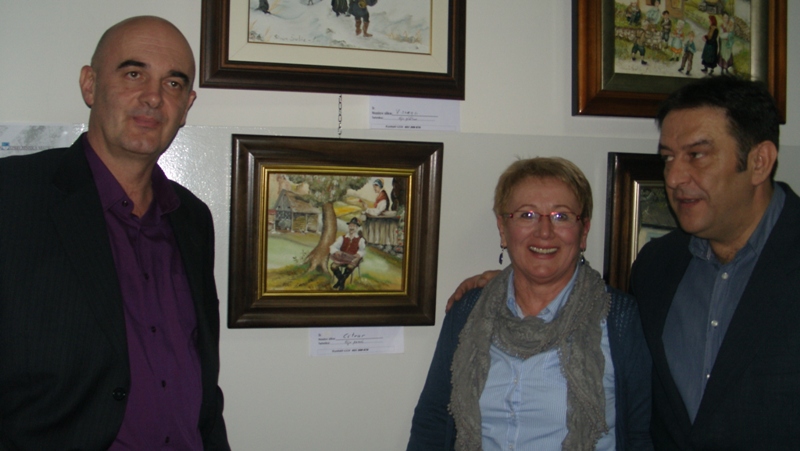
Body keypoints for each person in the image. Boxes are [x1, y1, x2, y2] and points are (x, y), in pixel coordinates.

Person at [448, 76, 795, 449]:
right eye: (668, 158)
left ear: (759, 162)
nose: (674, 177)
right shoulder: (658, 266)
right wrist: (519, 283)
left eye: (696, 155)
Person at [0, 16, 230, 449]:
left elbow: (201, 380)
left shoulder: (192, 219)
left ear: (187, 106)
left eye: (173, 84)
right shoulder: (12, 197)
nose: (153, 97)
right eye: (133, 74)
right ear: (90, 85)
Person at [408, 158, 653, 450]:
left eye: (561, 216)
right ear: (503, 228)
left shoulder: (621, 319)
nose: (544, 231)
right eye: (527, 215)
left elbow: (641, 435)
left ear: (584, 231)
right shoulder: (468, 311)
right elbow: (433, 420)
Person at [329, 217, 366, 290]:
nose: (351, 227)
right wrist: (336, 251)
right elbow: (333, 246)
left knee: (350, 267)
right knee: (333, 266)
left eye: (354, 226)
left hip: (353, 258)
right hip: (342, 258)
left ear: (357, 228)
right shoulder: (342, 238)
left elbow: (362, 250)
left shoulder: (360, 239)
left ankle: (339, 283)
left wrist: (358, 254)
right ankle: (341, 281)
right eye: (350, 225)